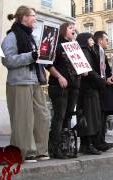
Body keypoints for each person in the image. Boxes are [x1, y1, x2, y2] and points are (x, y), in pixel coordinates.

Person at [2, 6, 50, 162]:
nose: (35, 18)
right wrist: (31, 56)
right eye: (33, 16)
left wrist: (46, 55)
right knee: (23, 119)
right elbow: (7, 60)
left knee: (43, 116)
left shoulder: (31, 37)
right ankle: (25, 151)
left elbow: (36, 58)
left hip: (35, 81)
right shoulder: (12, 36)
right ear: (24, 17)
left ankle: (40, 150)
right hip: (19, 82)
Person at [46, 22, 79, 159]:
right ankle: (54, 148)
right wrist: (59, 76)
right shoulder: (56, 45)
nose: (73, 30)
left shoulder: (73, 46)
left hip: (72, 86)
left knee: (68, 116)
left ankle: (65, 146)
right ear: (64, 30)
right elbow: (48, 63)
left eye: (74, 28)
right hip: (58, 86)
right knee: (59, 117)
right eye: (70, 28)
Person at [76, 32, 106, 155]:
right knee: (89, 117)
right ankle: (87, 144)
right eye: (90, 39)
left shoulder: (88, 51)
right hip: (88, 89)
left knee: (91, 117)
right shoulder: (85, 51)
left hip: (89, 88)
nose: (93, 41)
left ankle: (88, 144)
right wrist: (100, 79)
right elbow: (88, 69)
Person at [93, 31, 113, 151]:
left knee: (103, 117)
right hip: (101, 89)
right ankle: (99, 141)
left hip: (105, 87)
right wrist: (106, 79)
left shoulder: (102, 52)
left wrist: (111, 77)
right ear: (100, 40)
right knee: (100, 117)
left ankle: (101, 140)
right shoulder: (97, 52)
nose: (108, 41)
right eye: (106, 39)